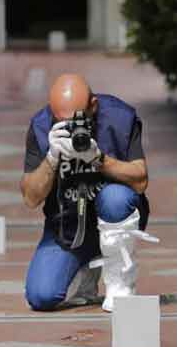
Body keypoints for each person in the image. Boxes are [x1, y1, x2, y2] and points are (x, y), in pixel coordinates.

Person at [20, 74, 158, 312]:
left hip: (115, 216)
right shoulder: (41, 126)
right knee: (41, 296)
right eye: (61, 122)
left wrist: (99, 159)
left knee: (115, 198)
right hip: (68, 225)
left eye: (77, 120)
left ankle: (120, 281)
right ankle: (84, 269)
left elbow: (140, 180)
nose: (71, 129)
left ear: (93, 105)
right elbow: (31, 198)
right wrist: (51, 158)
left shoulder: (120, 117)